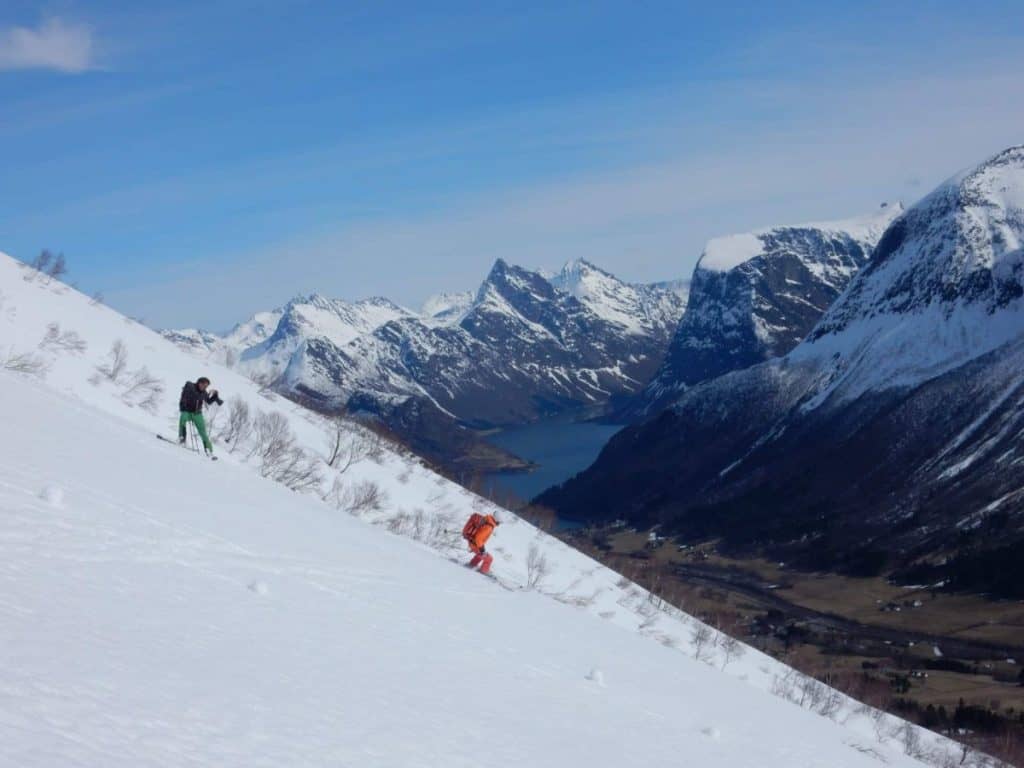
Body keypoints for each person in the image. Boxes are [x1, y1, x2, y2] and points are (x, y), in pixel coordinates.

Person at [179, 377, 223, 455]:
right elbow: (184, 396)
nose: (204, 387)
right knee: (183, 418)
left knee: (203, 432)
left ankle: (209, 450)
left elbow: (209, 401)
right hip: (187, 411)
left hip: (197, 414)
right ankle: (182, 439)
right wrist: (183, 406)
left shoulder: (204, 393)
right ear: (199, 382)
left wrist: (215, 395)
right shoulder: (190, 386)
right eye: (203, 384)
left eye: (206, 386)